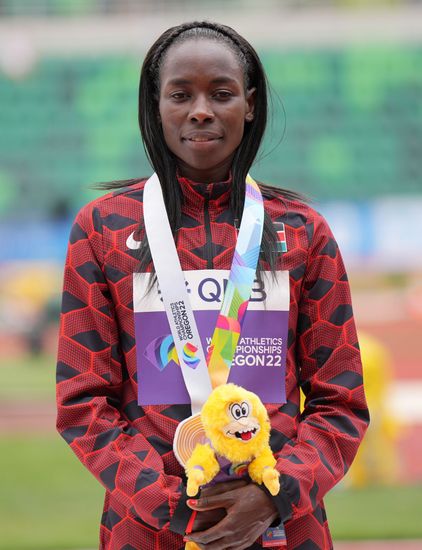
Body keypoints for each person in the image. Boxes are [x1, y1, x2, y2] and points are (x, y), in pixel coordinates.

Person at [56, 21, 369, 550]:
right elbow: (83, 403)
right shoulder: (103, 230)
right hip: (146, 531)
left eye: (221, 93)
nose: (201, 109)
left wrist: (274, 495)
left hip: (283, 528)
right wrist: (177, 508)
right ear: (157, 106)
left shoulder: (303, 231)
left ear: (249, 104)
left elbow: (341, 403)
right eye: (181, 94)